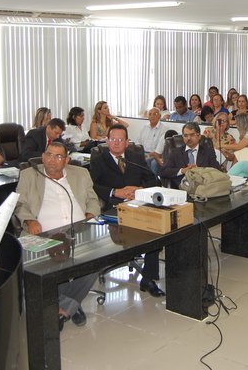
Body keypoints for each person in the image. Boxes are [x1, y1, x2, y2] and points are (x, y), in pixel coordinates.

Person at [14, 142, 99, 329]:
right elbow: (19, 204)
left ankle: (61, 308)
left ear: (67, 160)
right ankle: (69, 306)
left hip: (78, 234)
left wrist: (89, 217)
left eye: (58, 156)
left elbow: (93, 200)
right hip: (42, 236)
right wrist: (29, 221)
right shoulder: (29, 175)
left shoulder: (80, 174)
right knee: (26, 272)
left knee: (96, 261)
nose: (52, 160)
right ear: (43, 156)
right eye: (49, 155)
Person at [89, 124, 164, 297]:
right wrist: (115, 191)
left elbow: (153, 179)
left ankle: (148, 278)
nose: (116, 143)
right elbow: (92, 185)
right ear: (107, 141)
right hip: (114, 206)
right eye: (112, 140)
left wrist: (138, 189)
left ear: (127, 142)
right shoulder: (99, 159)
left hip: (139, 203)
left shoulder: (135, 156)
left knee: (157, 230)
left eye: (120, 140)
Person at [160, 122, 220, 188]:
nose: (188, 138)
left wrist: (200, 170)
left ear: (199, 136)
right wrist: (182, 170)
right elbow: (164, 171)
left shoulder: (208, 152)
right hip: (182, 188)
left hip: (203, 187)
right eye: (186, 135)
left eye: (192, 135)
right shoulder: (175, 152)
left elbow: (217, 169)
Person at [136, 107, 166, 175]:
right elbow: (138, 143)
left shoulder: (164, 129)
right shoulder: (144, 128)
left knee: (153, 163)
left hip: (156, 156)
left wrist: (149, 155)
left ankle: (153, 183)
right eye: (150, 114)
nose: (152, 116)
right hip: (143, 153)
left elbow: (159, 151)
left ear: (159, 116)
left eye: (155, 114)